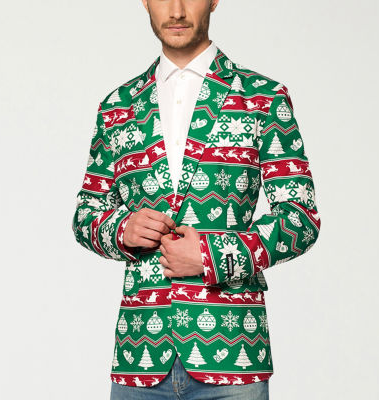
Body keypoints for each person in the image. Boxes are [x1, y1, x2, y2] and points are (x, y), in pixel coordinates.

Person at [71, 1, 321, 399]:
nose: (176, 10)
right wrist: (122, 230)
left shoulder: (263, 98)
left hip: (233, 356)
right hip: (140, 356)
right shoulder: (117, 107)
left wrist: (211, 256)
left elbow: (300, 218)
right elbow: (86, 215)